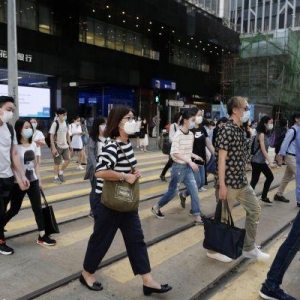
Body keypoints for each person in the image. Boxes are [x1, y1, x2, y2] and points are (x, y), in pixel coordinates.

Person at [80, 105, 172, 296]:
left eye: (133, 117)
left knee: (136, 239)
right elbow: (100, 171)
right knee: (101, 239)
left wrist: (132, 172)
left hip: (124, 201)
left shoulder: (126, 143)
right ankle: (87, 273)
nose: (134, 121)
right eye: (129, 118)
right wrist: (124, 176)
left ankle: (147, 280)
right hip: (106, 202)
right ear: (118, 122)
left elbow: (123, 167)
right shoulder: (112, 145)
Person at [209, 96, 270, 263]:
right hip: (228, 182)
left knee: (254, 209)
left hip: (242, 181)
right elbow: (221, 159)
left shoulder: (241, 129)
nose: (248, 111)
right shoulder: (226, 129)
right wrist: (221, 185)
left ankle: (249, 247)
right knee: (222, 219)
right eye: (245, 107)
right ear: (235, 110)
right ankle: (214, 250)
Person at [258, 128, 300, 300]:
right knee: (293, 242)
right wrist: (280, 156)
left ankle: (271, 284)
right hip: (288, 158)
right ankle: (271, 284)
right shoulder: (294, 130)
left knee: (293, 242)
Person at [3, 119, 56, 247]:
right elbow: (13, 166)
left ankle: (42, 235)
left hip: (32, 181)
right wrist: (20, 180)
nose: (29, 129)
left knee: (38, 208)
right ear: (19, 129)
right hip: (18, 183)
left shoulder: (33, 144)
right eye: (26, 127)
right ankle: (1, 225)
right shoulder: (14, 146)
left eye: (30, 127)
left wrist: (39, 181)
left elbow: (36, 165)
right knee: (14, 209)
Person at [151, 109, 204, 225]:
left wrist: (196, 156)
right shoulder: (178, 135)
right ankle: (156, 207)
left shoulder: (191, 135)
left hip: (187, 169)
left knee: (194, 191)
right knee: (172, 192)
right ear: (185, 121)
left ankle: (197, 216)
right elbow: (175, 153)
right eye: (193, 120)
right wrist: (190, 162)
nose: (194, 123)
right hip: (178, 169)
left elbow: (186, 151)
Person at [0, 96, 30, 255]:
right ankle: (1, 241)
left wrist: (22, 175)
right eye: (8, 110)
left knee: (4, 209)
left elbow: (14, 155)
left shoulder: (9, 129)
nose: (10, 113)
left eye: (12, 110)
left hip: (7, 177)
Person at [179, 107, 215, 212]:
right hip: (192, 161)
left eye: (201, 115)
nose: (200, 117)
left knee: (201, 182)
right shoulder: (188, 129)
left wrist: (215, 154)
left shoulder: (202, 128)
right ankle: (195, 210)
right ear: (193, 115)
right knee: (197, 183)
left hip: (201, 159)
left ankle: (184, 194)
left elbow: (208, 143)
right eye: (199, 115)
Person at [274, 112, 300, 205]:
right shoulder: (292, 130)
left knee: (287, 177)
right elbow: (284, 144)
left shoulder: (299, 130)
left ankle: (278, 194)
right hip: (290, 156)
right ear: (296, 119)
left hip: (295, 157)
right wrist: (281, 157)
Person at [250, 116, 276, 205]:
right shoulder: (261, 134)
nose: (271, 124)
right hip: (257, 161)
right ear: (265, 123)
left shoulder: (265, 134)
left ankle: (258, 197)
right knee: (267, 177)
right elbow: (263, 149)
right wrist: (270, 162)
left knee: (255, 180)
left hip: (259, 161)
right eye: (270, 122)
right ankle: (260, 197)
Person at [84, 116, 107, 218]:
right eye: (102, 124)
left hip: (106, 166)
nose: (104, 126)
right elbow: (91, 154)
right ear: (97, 126)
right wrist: (96, 167)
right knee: (95, 189)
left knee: (103, 189)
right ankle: (93, 210)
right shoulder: (93, 138)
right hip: (95, 167)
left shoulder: (107, 137)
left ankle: (101, 208)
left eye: (105, 124)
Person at [49, 108, 72, 183]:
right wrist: (53, 148)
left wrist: (70, 144)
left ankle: (61, 172)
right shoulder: (55, 123)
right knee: (57, 162)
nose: (65, 116)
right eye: (63, 114)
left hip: (65, 145)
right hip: (57, 146)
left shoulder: (66, 123)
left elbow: (68, 134)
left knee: (68, 160)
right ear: (59, 115)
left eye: (66, 114)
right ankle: (56, 178)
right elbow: (51, 136)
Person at [159, 112, 181, 182]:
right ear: (178, 117)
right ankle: (163, 174)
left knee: (175, 161)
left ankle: (178, 176)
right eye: (181, 116)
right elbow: (171, 137)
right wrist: (176, 142)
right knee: (171, 162)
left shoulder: (181, 125)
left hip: (180, 146)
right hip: (174, 146)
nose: (182, 118)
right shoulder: (173, 126)